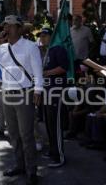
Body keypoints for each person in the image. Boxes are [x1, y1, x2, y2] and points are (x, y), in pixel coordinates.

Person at [0, 15, 43, 185]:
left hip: (24, 94)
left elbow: (37, 69)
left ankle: (32, 170)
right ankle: (20, 165)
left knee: (26, 135)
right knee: (13, 134)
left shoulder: (30, 46)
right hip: (6, 94)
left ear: (19, 28)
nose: (7, 29)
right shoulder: (1, 47)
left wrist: (38, 90)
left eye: (11, 26)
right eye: (5, 26)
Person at [38, 27, 69, 167]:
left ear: (51, 36)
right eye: (41, 36)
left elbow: (64, 67)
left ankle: (59, 157)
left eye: (45, 36)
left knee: (55, 125)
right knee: (48, 124)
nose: (42, 38)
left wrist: (47, 73)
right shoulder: (45, 51)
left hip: (56, 92)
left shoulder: (58, 49)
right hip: (46, 92)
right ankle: (52, 150)